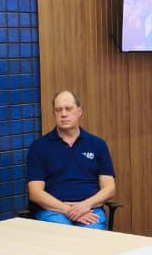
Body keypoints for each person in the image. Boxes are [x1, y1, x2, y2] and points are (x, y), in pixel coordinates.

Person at [26, 90, 117, 230]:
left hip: (90, 210)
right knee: (64, 235)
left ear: (79, 111)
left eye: (68, 109)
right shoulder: (39, 147)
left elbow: (109, 189)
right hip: (53, 211)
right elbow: (35, 193)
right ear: (54, 114)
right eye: (58, 110)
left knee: (92, 239)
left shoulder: (97, 145)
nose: (63, 114)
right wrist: (69, 211)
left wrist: (85, 206)